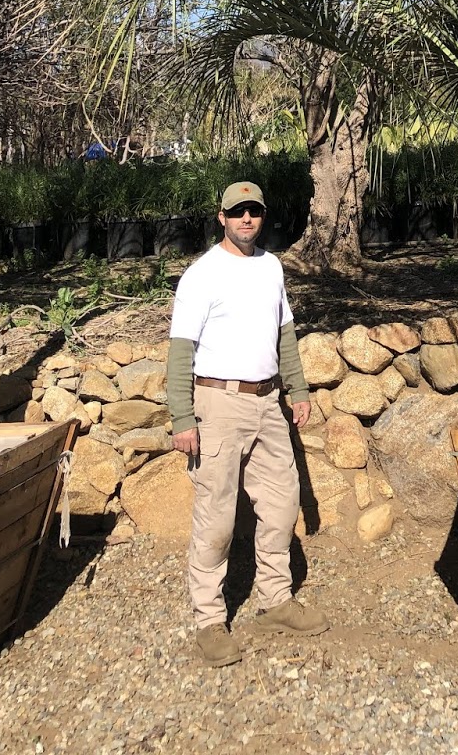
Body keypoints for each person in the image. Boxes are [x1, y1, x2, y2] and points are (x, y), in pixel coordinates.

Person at [166, 179, 328, 667]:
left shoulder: (271, 267)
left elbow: (285, 334)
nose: (246, 219)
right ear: (222, 217)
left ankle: (275, 600)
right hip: (218, 404)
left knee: (282, 503)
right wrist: (182, 417)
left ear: (262, 215)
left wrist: (297, 389)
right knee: (216, 517)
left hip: (267, 403)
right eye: (237, 212)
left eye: (254, 211)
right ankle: (209, 620)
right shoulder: (202, 275)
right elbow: (180, 351)